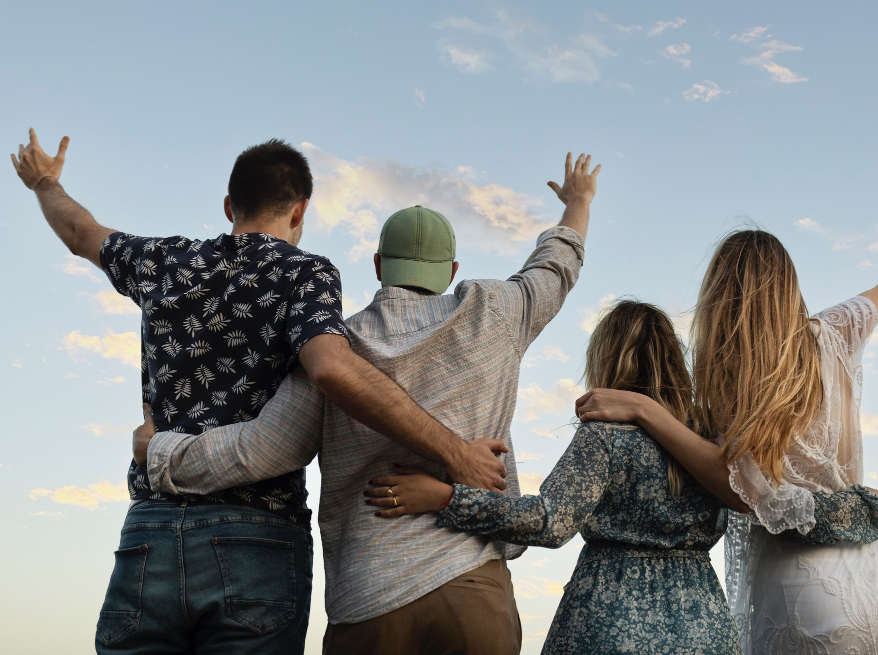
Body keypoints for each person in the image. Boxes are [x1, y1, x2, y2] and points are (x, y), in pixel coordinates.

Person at [10, 130, 506, 655]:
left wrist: (45, 182)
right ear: (300, 210)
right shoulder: (304, 273)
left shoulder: (162, 262)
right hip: (256, 535)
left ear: (229, 205)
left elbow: (80, 233)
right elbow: (332, 370)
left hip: (150, 530)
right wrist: (454, 452)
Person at [133, 152, 600, 655]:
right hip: (470, 585)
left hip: (368, 598)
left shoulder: (334, 346)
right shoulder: (501, 310)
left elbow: (265, 449)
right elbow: (557, 263)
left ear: (378, 265)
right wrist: (578, 201)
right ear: (453, 269)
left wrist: (161, 453)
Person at [577, 222, 878, 654]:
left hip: (803, 595)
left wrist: (644, 409)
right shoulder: (836, 332)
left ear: (719, 298)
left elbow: (745, 492)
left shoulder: (732, 380)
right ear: (789, 285)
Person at [368, 300, 743, 654]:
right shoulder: (709, 440)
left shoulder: (606, 435)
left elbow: (550, 521)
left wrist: (448, 498)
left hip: (608, 616)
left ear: (606, 358)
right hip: (705, 621)